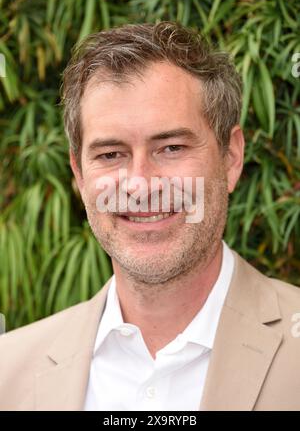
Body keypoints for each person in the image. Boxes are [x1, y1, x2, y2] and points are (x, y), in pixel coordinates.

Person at [0, 21, 299, 411]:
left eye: (171, 147)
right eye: (110, 155)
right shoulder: (9, 371)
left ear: (231, 157)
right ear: (78, 174)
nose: (140, 185)